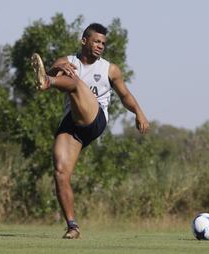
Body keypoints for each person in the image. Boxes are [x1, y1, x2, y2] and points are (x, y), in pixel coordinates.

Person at [31, 23, 149, 239]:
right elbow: (48, 72)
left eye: (103, 43)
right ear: (84, 41)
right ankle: (73, 226)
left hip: (95, 120)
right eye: (96, 41)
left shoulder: (110, 69)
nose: (100, 46)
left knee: (75, 84)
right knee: (60, 172)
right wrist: (53, 71)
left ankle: (49, 83)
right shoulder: (68, 61)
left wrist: (139, 112)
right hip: (72, 123)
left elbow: (125, 96)